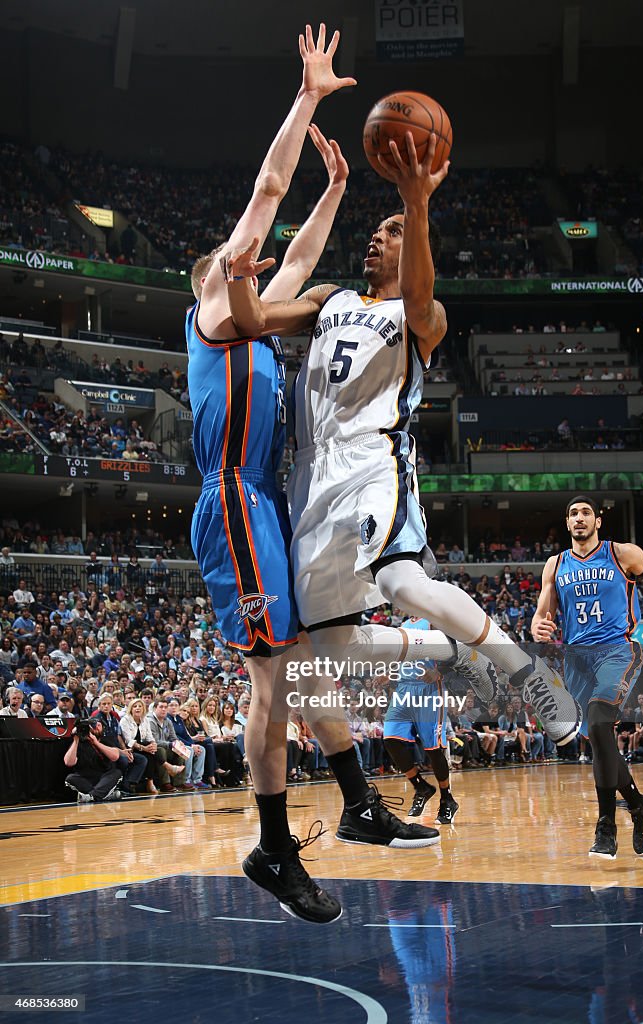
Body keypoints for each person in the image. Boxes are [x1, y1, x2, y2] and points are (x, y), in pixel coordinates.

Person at [187, 26, 444, 925]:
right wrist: (306, 101)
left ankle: (359, 801)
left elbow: (290, 261)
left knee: (301, 672)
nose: (245, 259)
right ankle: (273, 845)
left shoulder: (248, 318)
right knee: (275, 681)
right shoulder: (216, 311)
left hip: (266, 502)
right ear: (207, 290)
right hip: (232, 499)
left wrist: (336, 187)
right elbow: (263, 197)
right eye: (229, 266)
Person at [226, 135, 582, 754]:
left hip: (372, 463)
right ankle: (442, 644)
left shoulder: (425, 317)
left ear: (414, 249)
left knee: (406, 588)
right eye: (380, 229)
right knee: (330, 649)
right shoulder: (324, 299)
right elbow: (252, 319)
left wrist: (415, 205)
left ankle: (527, 672)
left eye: (391, 232)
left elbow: (419, 293)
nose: (376, 236)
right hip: (308, 480)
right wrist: (236, 274)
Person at [532, 495, 643, 859]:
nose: (579, 518)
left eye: (585, 512)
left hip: (617, 650)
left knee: (601, 724)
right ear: (567, 523)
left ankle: (606, 825)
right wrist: (539, 623)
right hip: (577, 660)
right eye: (572, 514)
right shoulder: (555, 565)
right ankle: (639, 804)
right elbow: (543, 611)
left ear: (597, 520)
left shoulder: (622, 553)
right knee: (600, 743)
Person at [383, 616, 485, 824]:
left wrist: (438, 671)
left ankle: (447, 799)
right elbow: (400, 657)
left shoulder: (432, 621)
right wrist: (388, 672)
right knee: (390, 739)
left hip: (429, 690)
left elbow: (457, 652)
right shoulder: (403, 625)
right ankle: (420, 786)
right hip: (404, 689)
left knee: (433, 749)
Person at [63, 720, 123, 803]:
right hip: (86, 778)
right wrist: (76, 740)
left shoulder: (106, 740)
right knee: (70, 778)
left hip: (104, 777)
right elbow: (68, 762)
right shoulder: (78, 743)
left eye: (99, 725)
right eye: (93, 726)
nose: (96, 728)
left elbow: (115, 757)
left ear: (103, 728)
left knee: (116, 773)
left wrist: (96, 743)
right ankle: (103, 795)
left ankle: (91, 796)